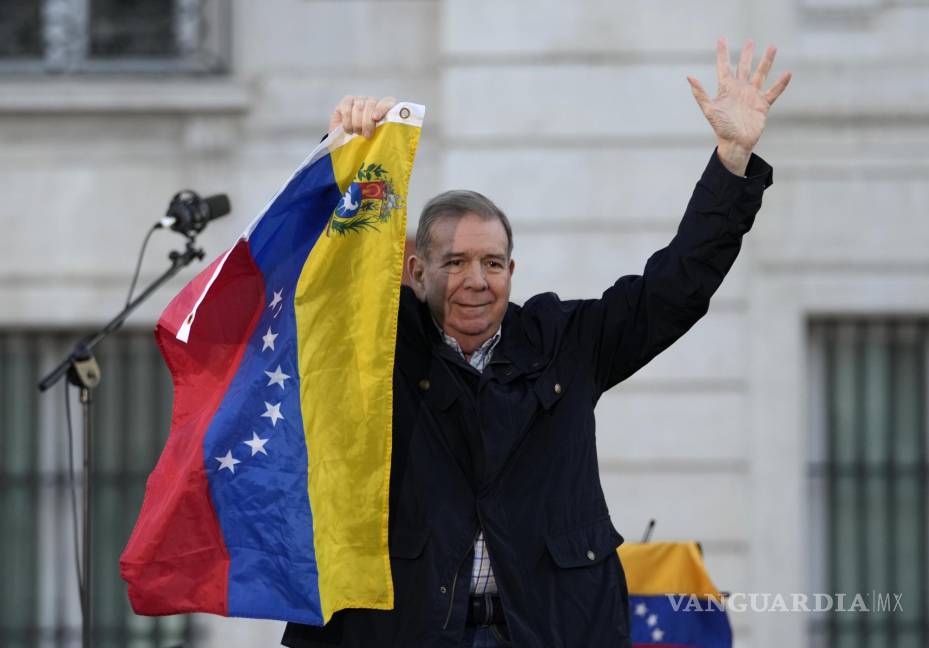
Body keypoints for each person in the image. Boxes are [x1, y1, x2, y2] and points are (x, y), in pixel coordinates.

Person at [282, 38, 791, 648]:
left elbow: (674, 288)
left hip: (550, 628)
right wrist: (347, 153)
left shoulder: (565, 343)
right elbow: (321, 275)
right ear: (416, 272)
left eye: (493, 263)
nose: (476, 280)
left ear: (512, 273)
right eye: (457, 262)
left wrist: (732, 160)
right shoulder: (379, 346)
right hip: (408, 629)